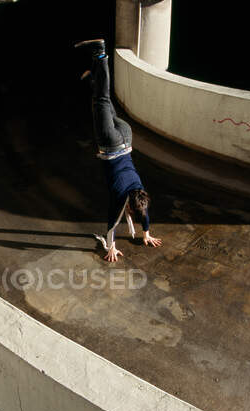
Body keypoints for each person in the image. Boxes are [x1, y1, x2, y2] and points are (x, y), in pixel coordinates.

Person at [75, 38, 162, 262]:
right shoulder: (122, 197)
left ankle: (91, 80)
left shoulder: (140, 192)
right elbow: (112, 222)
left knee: (104, 104)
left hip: (126, 135)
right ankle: (100, 53)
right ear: (130, 208)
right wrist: (110, 247)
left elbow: (145, 213)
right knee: (101, 100)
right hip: (111, 143)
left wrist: (147, 233)